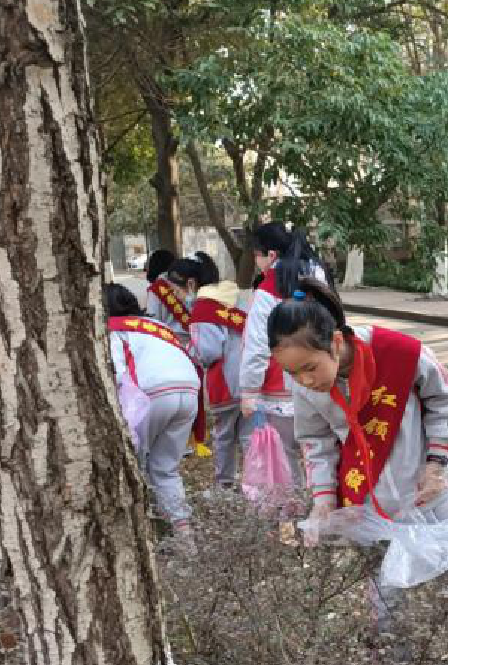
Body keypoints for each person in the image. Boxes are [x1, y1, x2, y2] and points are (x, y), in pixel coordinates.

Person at [278, 278, 449, 638]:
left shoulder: (402, 354)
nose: (303, 381)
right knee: (386, 596)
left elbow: (442, 402)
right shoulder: (302, 385)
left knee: (439, 586)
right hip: (366, 502)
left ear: (336, 343)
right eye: (291, 372)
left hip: (427, 494)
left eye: (309, 367)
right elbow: (315, 440)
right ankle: (396, 664)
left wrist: (436, 463)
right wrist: (323, 499)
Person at [105, 283, 202, 543]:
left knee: (133, 466)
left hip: (151, 396)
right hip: (189, 391)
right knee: (166, 469)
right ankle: (185, 538)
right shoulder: (159, 327)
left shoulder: (114, 331)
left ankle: (140, 536)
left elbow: (114, 372)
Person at [238, 222, 329, 478]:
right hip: (322, 377)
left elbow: (257, 346)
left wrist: (249, 391)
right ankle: (322, 506)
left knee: (287, 457)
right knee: (320, 453)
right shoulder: (318, 277)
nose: (256, 261)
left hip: (281, 385)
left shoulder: (268, 289)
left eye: (256, 255)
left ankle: (293, 513)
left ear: (271, 255)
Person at [189, 253, 248, 492]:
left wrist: (190, 351)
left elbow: (209, 351)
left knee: (224, 435)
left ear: (191, 283)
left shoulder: (203, 307)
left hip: (224, 380)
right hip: (250, 377)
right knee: (249, 435)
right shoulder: (233, 296)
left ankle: (225, 484)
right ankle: (255, 484)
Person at [145, 255, 199, 343]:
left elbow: (152, 320)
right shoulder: (190, 280)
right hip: (194, 339)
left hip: (169, 341)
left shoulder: (157, 289)